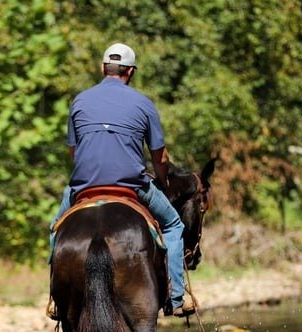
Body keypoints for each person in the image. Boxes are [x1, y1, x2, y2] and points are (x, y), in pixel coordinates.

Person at [49, 42, 194, 318]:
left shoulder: (79, 101)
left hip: (84, 186)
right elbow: (159, 158)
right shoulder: (144, 104)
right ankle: (176, 297)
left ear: (103, 68)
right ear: (131, 72)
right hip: (131, 187)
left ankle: (57, 299)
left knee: (56, 230)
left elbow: (74, 153)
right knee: (174, 225)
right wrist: (162, 180)